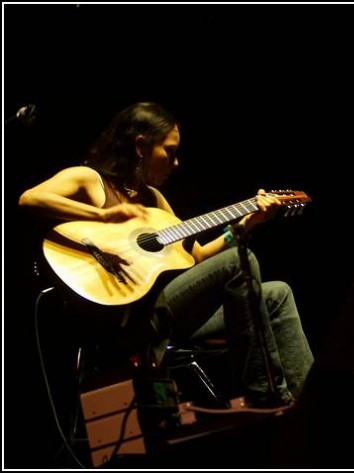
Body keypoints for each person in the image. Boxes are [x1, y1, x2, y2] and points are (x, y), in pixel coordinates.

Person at [18, 101, 314, 408]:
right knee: (245, 261)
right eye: (169, 152)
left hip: (167, 315)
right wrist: (103, 216)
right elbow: (31, 199)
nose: (175, 164)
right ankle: (264, 391)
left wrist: (245, 225)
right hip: (124, 320)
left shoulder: (154, 200)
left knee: (277, 294)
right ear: (140, 147)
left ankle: (312, 399)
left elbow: (196, 258)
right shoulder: (90, 179)